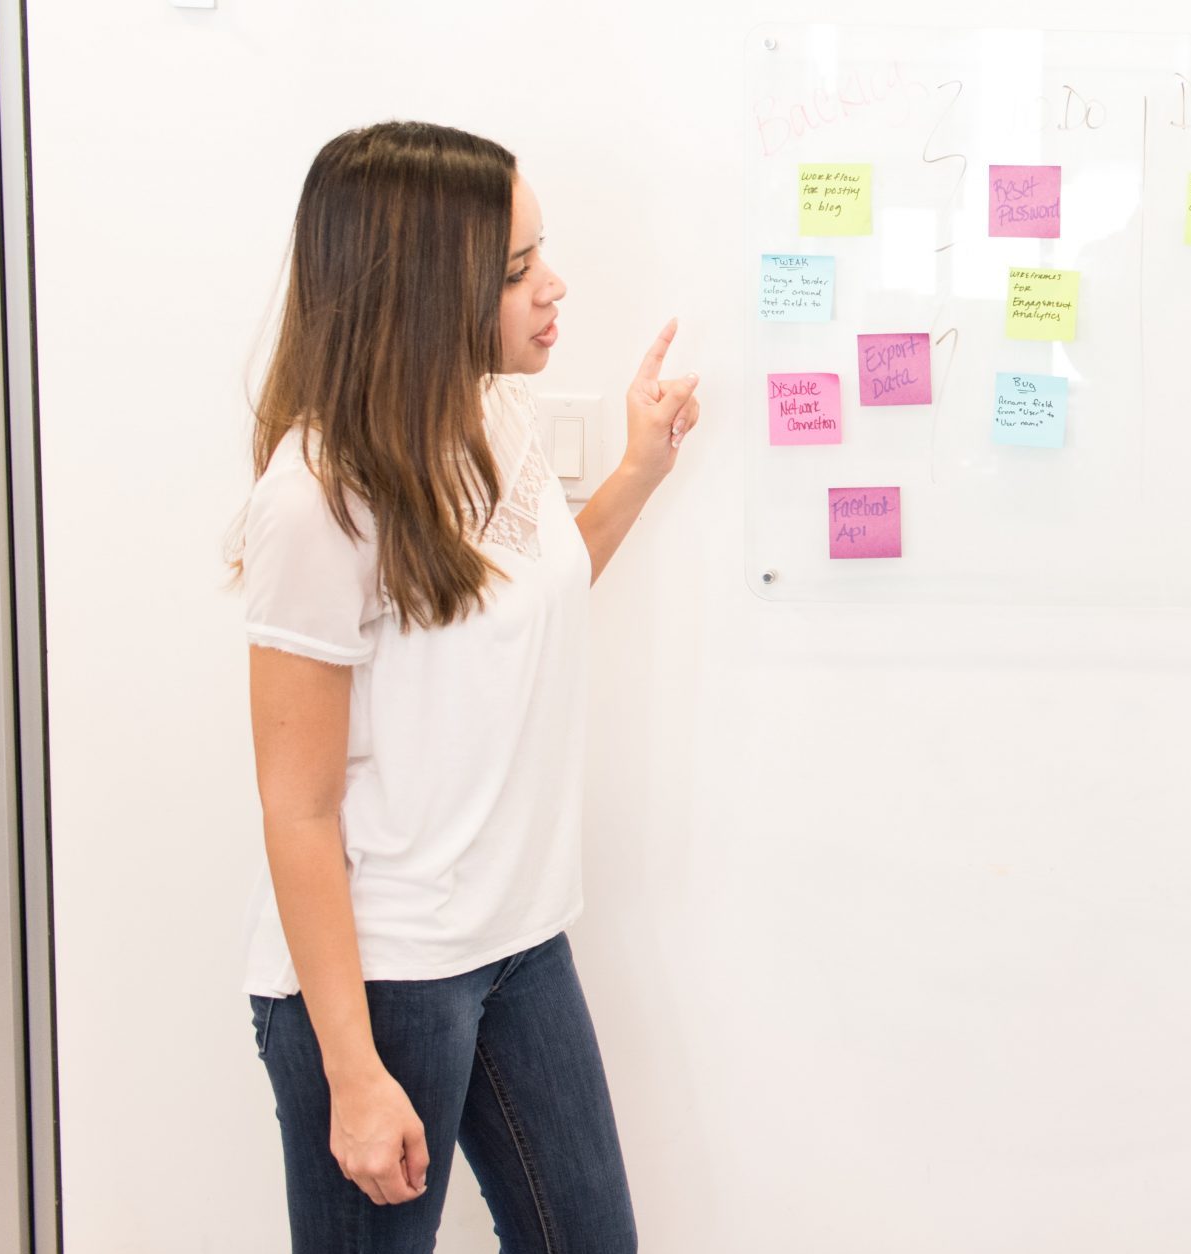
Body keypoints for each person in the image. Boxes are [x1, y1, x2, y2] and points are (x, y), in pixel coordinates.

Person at [238, 120, 700, 1250]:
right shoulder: (319, 498)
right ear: (420, 288)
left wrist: (638, 468)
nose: (555, 286)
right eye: (513, 270)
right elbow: (296, 808)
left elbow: (524, 607)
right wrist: (353, 1074)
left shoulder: (493, 414)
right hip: (388, 976)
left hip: (521, 945)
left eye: (542, 252)